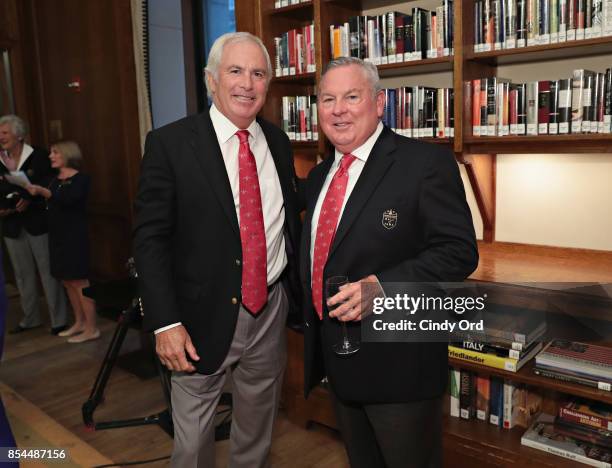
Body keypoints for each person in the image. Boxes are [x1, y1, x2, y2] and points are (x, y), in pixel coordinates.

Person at [133, 32, 301, 467]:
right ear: (211, 80)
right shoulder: (170, 144)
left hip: (269, 308)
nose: (247, 83)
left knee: (257, 430)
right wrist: (164, 322)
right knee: (191, 443)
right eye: (235, 71)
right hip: (196, 316)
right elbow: (149, 239)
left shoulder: (278, 143)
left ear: (268, 84)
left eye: (258, 73)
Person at [301, 57, 478, 468]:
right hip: (340, 361)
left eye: (351, 96)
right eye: (328, 99)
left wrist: (382, 286)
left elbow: (459, 252)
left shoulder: (424, 164)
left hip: (400, 368)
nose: (338, 109)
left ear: (379, 104)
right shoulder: (320, 175)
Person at [0, 114, 67, 334]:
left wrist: (28, 199)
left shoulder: (38, 155)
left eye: (5, 132)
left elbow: (49, 183)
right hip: (11, 223)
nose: (1, 137)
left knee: (48, 272)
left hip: (37, 222)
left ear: (19, 134)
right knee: (22, 273)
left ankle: (59, 320)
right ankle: (31, 318)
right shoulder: (0, 158)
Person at [26, 141, 98, 343]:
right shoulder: (52, 180)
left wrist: (45, 193)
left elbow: (69, 200)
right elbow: (48, 201)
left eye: (55, 153)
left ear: (67, 155)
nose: (51, 156)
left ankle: (92, 328)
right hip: (56, 236)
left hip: (74, 236)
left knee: (80, 282)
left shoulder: (81, 179)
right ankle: (79, 322)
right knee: (67, 281)